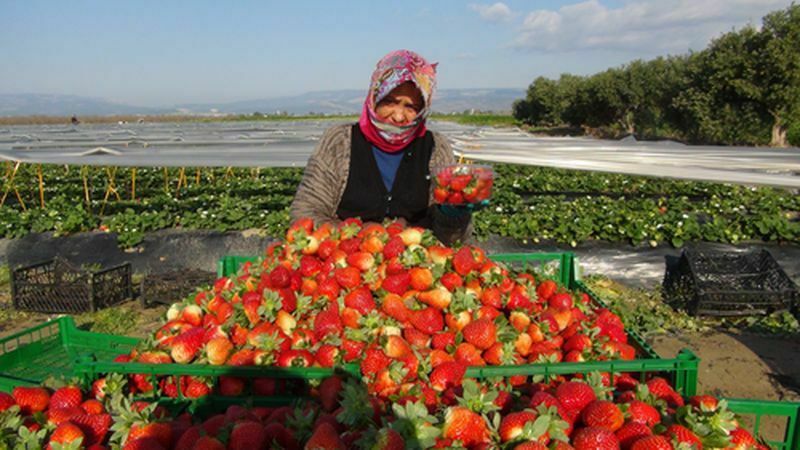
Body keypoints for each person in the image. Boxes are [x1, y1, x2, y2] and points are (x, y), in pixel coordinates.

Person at [290, 49, 473, 245]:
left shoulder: (436, 148)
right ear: (373, 98)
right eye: (389, 102)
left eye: (411, 107)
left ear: (423, 109)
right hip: (343, 262)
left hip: (416, 266)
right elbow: (305, 214)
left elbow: (453, 239)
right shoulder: (339, 141)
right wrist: (361, 238)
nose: (399, 116)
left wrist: (453, 215)